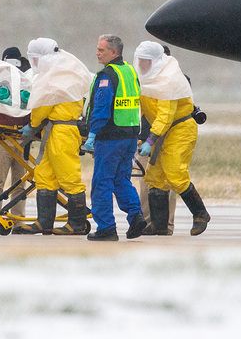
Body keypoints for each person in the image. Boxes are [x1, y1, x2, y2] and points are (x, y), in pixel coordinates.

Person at [135, 41, 210, 236]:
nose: (142, 65)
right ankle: (158, 226)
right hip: (161, 131)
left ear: (156, 61)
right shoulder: (145, 79)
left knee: (175, 173)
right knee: (154, 177)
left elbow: (165, 115)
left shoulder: (169, 80)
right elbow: (140, 108)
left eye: (146, 61)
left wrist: (151, 140)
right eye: (140, 60)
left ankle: (200, 214)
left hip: (180, 128)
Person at [20, 37, 92, 236]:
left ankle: (76, 224)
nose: (34, 63)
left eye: (35, 59)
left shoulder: (53, 76)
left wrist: (31, 126)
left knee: (69, 176)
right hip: (55, 131)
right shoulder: (66, 69)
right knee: (44, 175)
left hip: (61, 132)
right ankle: (45, 223)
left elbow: (43, 104)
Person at [83, 34, 147, 241]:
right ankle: (136, 216)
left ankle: (106, 228)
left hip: (109, 137)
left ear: (113, 52)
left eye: (101, 50)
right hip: (129, 135)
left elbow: (101, 108)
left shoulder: (107, 76)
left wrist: (92, 134)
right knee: (121, 180)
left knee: (102, 183)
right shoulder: (129, 71)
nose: (97, 53)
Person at [0, 46, 31, 234]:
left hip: (21, 138)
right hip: (1, 139)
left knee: (20, 183)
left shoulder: (26, 80)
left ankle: (18, 220)